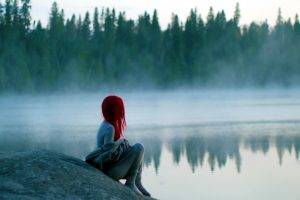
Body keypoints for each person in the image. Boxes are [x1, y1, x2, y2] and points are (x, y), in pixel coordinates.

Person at [86, 95, 151, 197]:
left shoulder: (106, 124)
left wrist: (122, 146)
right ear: (114, 111)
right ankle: (131, 183)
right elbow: (108, 156)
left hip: (111, 169)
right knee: (139, 147)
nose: (122, 113)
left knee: (136, 149)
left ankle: (137, 181)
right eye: (121, 109)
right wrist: (120, 143)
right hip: (109, 172)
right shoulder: (109, 128)